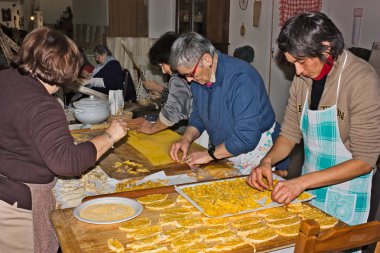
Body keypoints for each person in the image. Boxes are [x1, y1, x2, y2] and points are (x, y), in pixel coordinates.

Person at [0, 27, 128, 253]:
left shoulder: (5, 78)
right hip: (15, 204)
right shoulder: (42, 105)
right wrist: (110, 135)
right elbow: (66, 162)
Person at [247, 12, 380, 226]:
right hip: (309, 187)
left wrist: (301, 183)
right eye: (293, 63)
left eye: (301, 61)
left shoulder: (361, 80)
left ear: (326, 48)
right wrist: (267, 161)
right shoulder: (303, 80)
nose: (297, 71)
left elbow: (364, 161)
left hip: (347, 193)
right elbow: (290, 134)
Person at [169, 32, 288, 175]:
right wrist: (186, 138)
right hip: (225, 149)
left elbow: (246, 137)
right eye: (184, 75)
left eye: (189, 74)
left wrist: (210, 155)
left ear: (206, 59)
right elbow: (198, 114)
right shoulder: (199, 78)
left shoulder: (241, 79)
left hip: (256, 151)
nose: (188, 80)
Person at [137, 31, 192, 134]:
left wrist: (151, 129)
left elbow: (174, 111)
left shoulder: (178, 78)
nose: (163, 71)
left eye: (162, 65)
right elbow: (181, 100)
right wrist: (161, 95)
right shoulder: (183, 73)